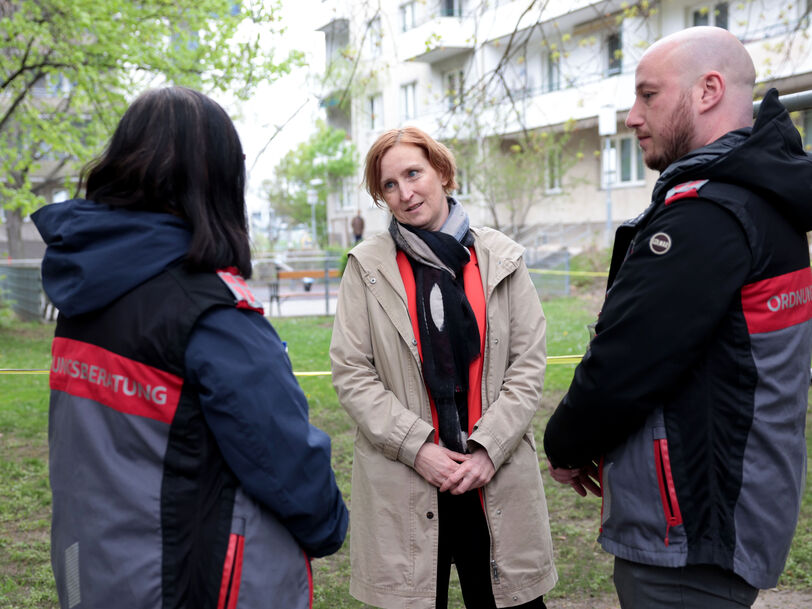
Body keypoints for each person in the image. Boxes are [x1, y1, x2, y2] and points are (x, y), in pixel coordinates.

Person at [33, 86, 348, 609]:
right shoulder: (210, 309)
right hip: (189, 580)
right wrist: (329, 523)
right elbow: (284, 457)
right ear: (216, 179)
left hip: (96, 569)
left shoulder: (88, 289)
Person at [543, 26, 812, 609]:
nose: (632, 116)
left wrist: (564, 443)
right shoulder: (760, 200)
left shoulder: (710, 216)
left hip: (692, 535)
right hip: (729, 516)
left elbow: (626, 362)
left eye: (648, 96)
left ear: (708, 90)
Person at [330, 126, 557, 609]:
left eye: (413, 174)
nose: (405, 193)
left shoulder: (502, 258)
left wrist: (486, 451)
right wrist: (419, 449)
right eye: (389, 185)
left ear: (443, 172)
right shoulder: (366, 265)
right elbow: (352, 371)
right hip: (407, 481)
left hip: (491, 477)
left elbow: (527, 366)